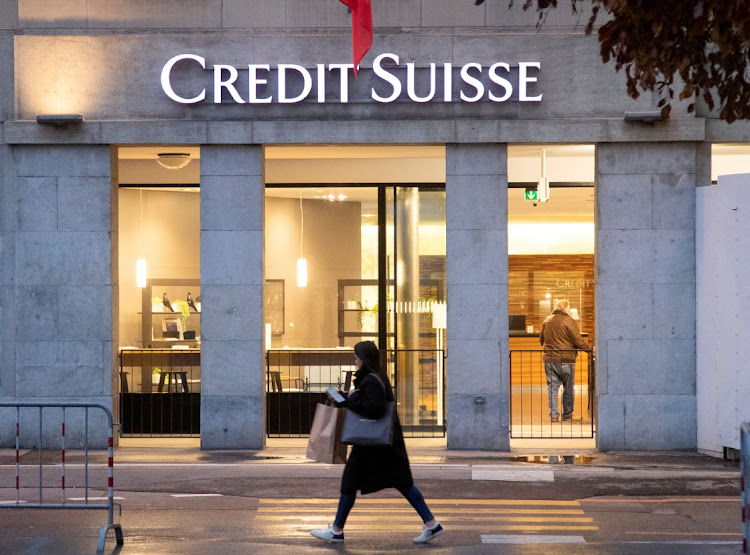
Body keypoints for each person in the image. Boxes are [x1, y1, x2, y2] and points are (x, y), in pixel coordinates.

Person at [310, 340, 443, 544]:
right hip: (385, 443)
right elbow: (368, 402)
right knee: (403, 483)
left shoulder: (370, 379)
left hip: (372, 444)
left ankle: (337, 530)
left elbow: (374, 408)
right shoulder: (377, 376)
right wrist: (345, 397)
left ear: (363, 358)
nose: (354, 360)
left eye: (355, 357)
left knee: (350, 482)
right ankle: (431, 523)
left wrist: (349, 399)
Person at [539, 299, 590, 422]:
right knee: (568, 388)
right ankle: (567, 416)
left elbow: (542, 340)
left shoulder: (547, 321)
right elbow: (578, 341)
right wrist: (589, 349)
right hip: (567, 360)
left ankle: (554, 416)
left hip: (550, 359)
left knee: (552, 389)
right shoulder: (569, 321)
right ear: (566, 308)